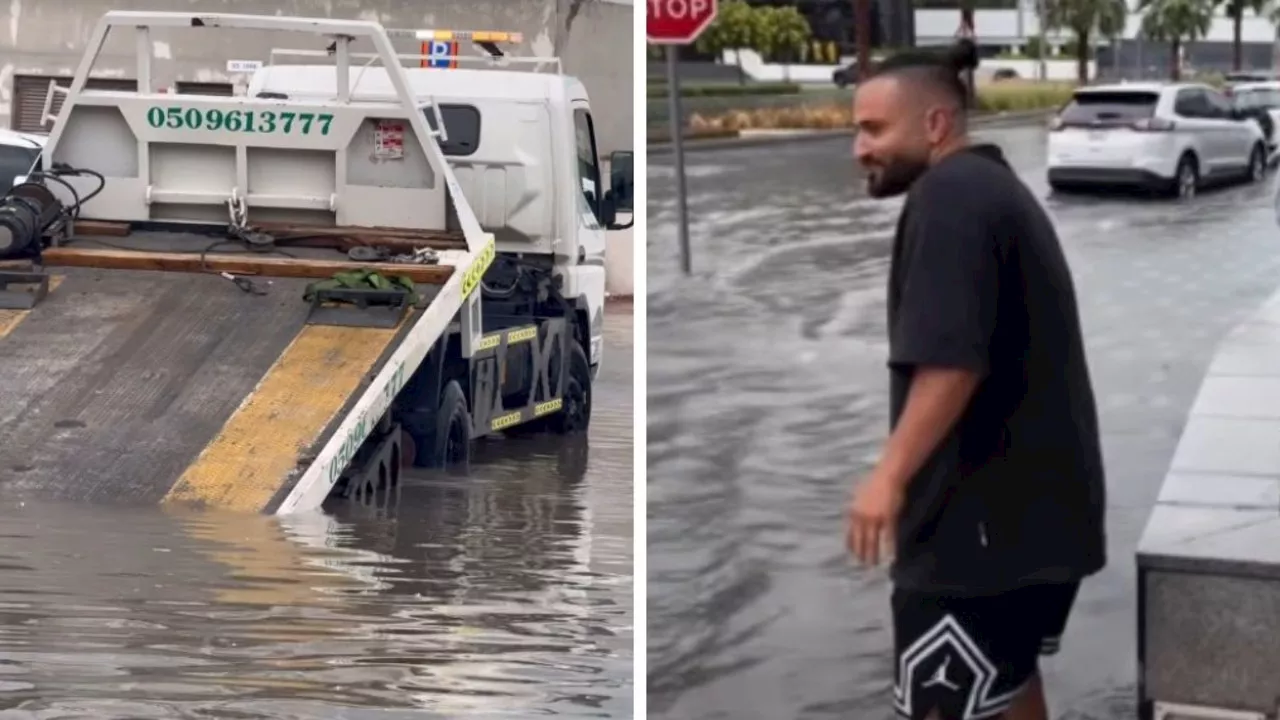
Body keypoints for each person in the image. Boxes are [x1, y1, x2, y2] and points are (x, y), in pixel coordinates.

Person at [845, 42, 1107, 720]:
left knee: (943, 705)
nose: (858, 148)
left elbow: (953, 360)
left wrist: (889, 476)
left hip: (977, 536)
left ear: (935, 124)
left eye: (873, 129)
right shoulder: (992, 187)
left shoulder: (950, 198)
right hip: (1037, 525)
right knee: (1006, 686)